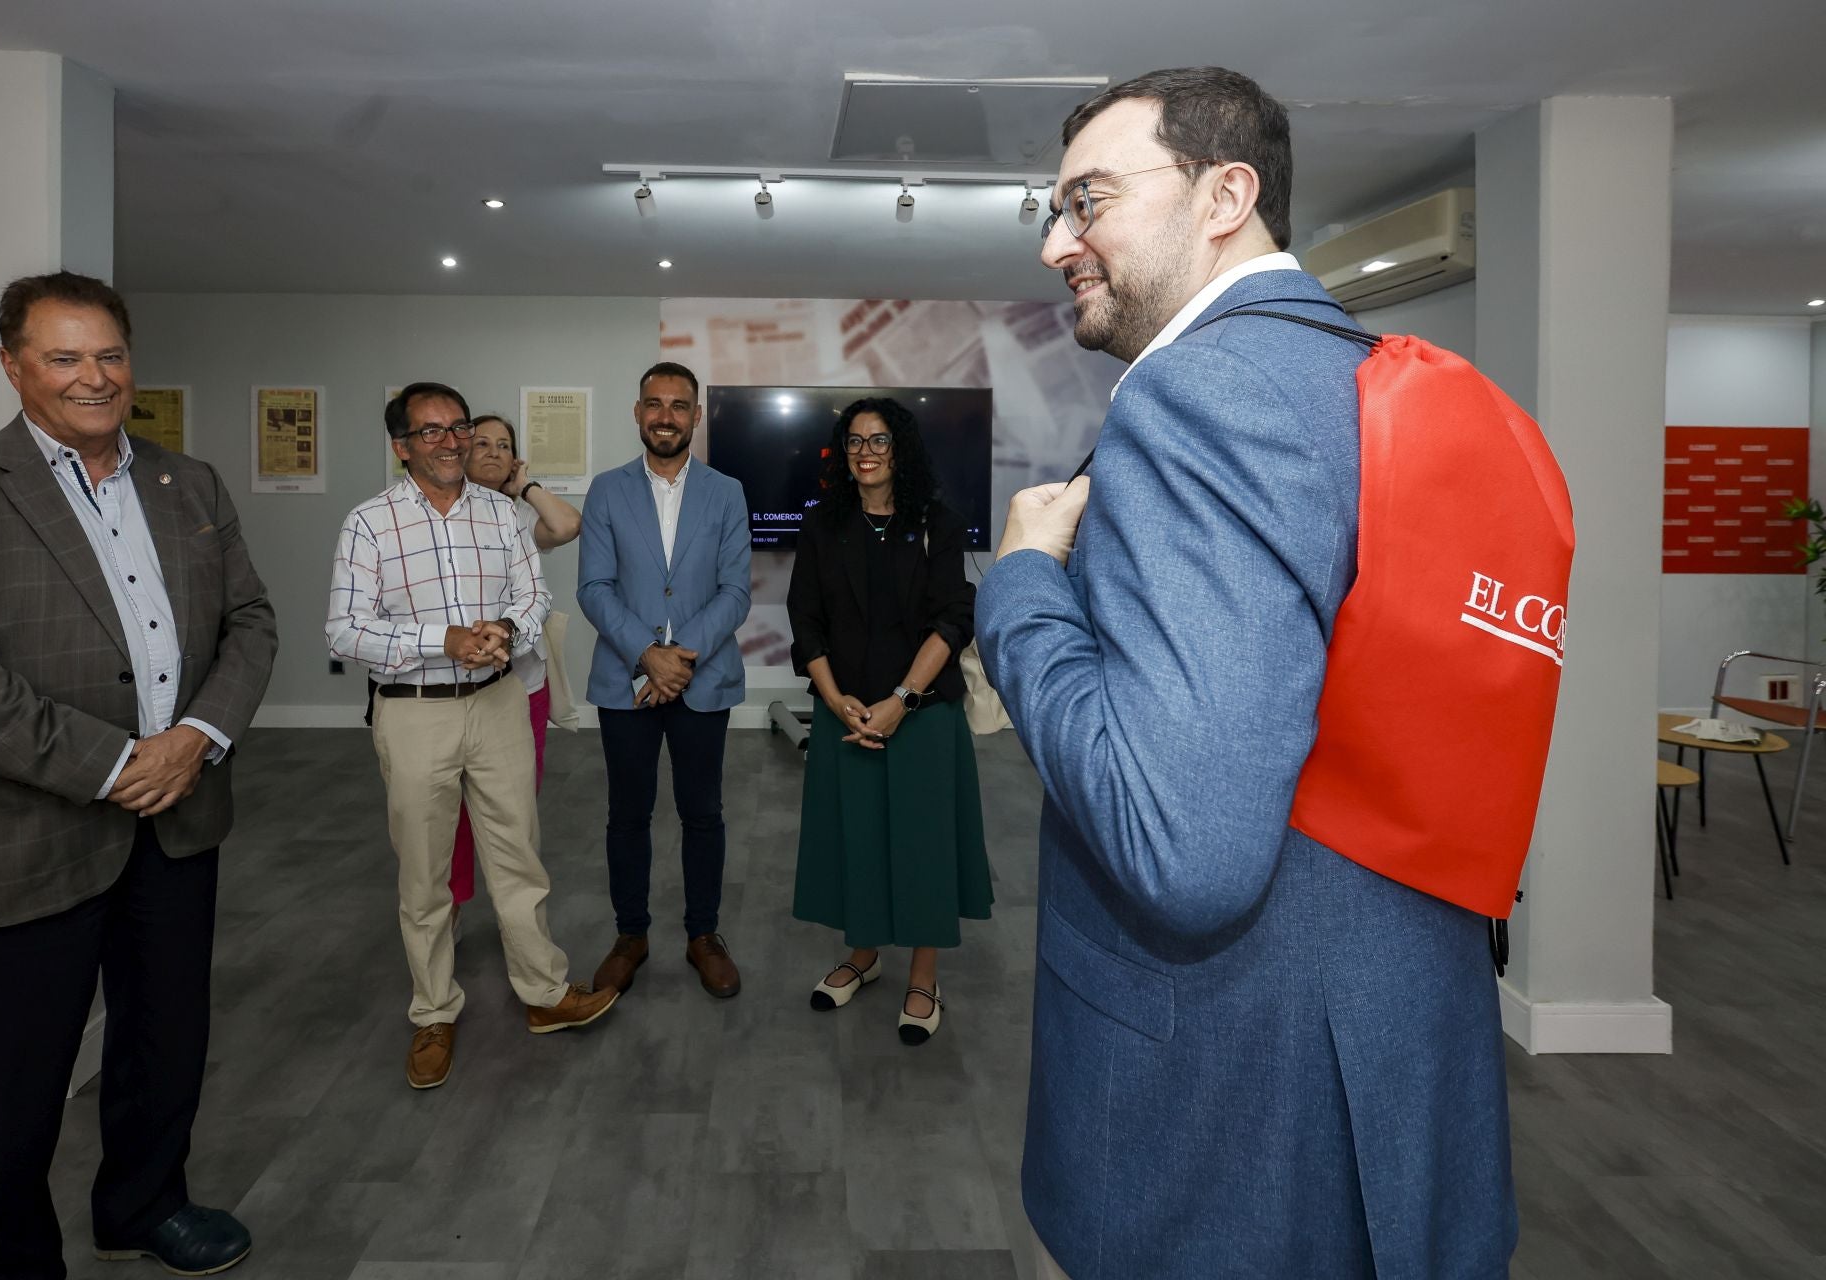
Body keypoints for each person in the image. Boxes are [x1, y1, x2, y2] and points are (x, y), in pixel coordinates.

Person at [974, 68, 1517, 1279]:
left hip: (1227, 1119)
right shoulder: (1362, 374)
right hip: (1393, 1053)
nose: (1059, 239)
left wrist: (1019, 587)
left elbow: (1186, 853)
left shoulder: (1198, 396)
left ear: (1227, 193)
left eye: (1090, 198)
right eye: (1052, 209)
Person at [0, 271, 278, 1278]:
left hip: (181, 816)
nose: (92, 376)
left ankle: (145, 1200)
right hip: (29, 832)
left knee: (164, 1042)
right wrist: (118, 762)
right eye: (63, 356)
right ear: (13, 365)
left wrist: (196, 733)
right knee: (8, 1088)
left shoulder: (187, 481)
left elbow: (249, 620)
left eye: (108, 354)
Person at [328, 382, 618, 1092]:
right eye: (431, 432)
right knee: (425, 874)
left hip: (498, 705)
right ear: (402, 447)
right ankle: (433, 1012)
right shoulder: (369, 523)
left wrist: (508, 630)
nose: (451, 441)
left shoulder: (501, 515)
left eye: (458, 428)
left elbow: (533, 594)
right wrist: (445, 639)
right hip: (414, 709)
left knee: (518, 857)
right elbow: (345, 629)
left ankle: (545, 995)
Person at [786, 397, 990, 1044]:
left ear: (899, 449)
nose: (865, 453)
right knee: (858, 839)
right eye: (853, 442)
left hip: (922, 716)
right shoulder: (822, 524)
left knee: (924, 847)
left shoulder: (939, 522)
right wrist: (835, 696)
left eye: (878, 441)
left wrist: (900, 700)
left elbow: (953, 620)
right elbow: (806, 620)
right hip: (843, 710)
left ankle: (924, 978)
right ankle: (865, 957)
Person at [576, 362, 752, 999]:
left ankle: (703, 934)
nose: (667, 416)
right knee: (628, 815)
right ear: (637, 412)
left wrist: (679, 659)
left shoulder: (727, 491)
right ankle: (631, 935)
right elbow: (593, 587)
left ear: (697, 416)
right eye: (655, 403)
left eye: (680, 405)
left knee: (703, 813)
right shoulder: (605, 491)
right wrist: (650, 655)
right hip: (626, 681)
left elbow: (736, 592)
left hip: (702, 681)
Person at [444, 413, 583, 923]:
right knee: (449, 814)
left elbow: (567, 525)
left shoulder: (519, 520)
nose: (493, 452)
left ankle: (518, 920)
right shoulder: (437, 517)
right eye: (481, 443)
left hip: (522, 684)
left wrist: (524, 486)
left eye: (504, 445)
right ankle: (453, 906)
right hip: (453, 688)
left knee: (515, 809)